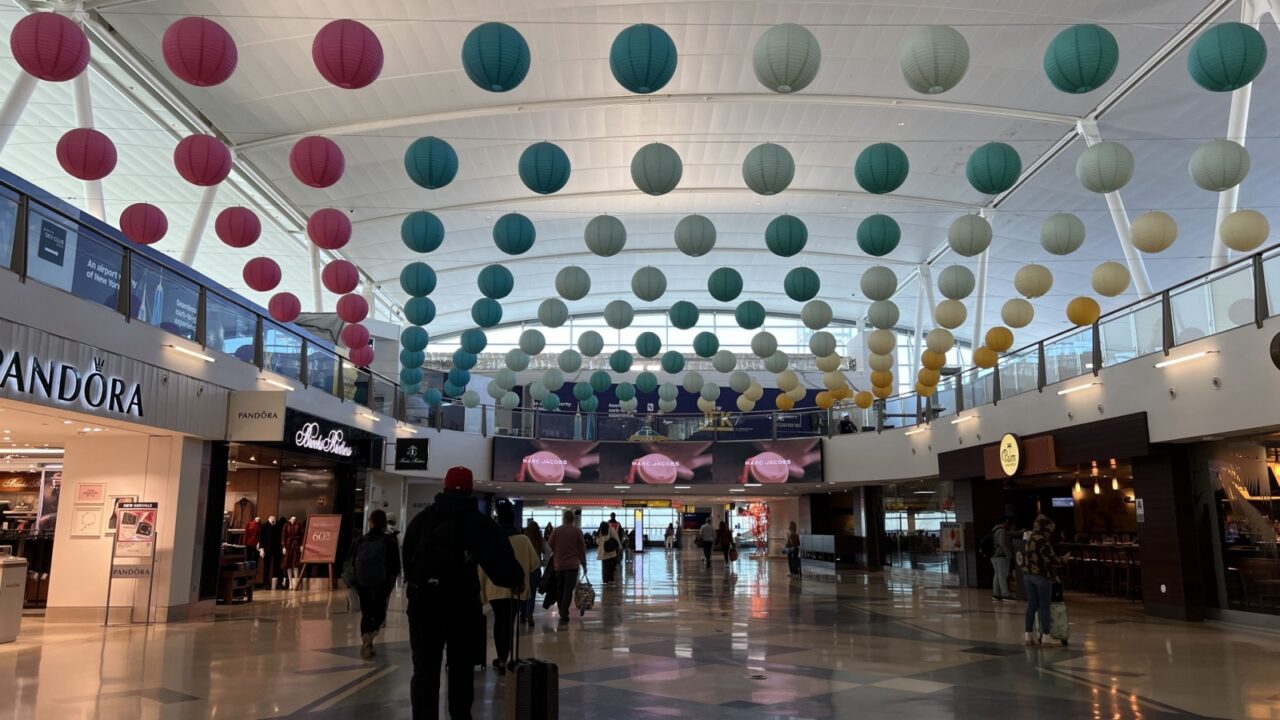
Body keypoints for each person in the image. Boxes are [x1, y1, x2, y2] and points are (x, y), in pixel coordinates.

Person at [402, 467, 523, 720]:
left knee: (424, 670)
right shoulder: (478, 523)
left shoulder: (423, 520)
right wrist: (516, 580)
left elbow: (408, 561)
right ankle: (459, 715)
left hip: (424, 607)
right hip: (462, 606)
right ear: (470, 490)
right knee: (460, 669)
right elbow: (500, 563)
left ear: (444, 487)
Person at [479, 503, 541, 674]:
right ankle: (505, 657)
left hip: (494, 588)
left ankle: (501, 658)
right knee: (509, 622)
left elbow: (482, 566)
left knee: (499, 621)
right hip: (516, 588)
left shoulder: (491, 539)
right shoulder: (523, 539)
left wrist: (482, 590)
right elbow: (534, 564)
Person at [350, 509, 401, 660]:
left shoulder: (360, 540)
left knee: (366, 612)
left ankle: (366, 638)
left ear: (370, 522)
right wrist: (391, 582)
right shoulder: (389, 541)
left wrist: (354, 581)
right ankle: (369, 638)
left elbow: (352, 562)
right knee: (379, 613)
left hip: (362, 582)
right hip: (382, 582)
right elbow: (395, 566)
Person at [1021, 514, 1063, 646]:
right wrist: (1063, 560)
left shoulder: (1029, 538)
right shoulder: (1042, 541)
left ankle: (1028, 635)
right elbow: (1052, 560)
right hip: (1040, 576)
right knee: (1044, 606)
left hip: (1027, 575)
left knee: (1031, 605)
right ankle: (1046, 635)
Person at [547, 509, 587, 623]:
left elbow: (549, 546)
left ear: (564, 518)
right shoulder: (577, 531)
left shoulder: (556, 531)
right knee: (568, 590)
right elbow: (582, 549)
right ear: (573, 519)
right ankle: (564, 611)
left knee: (559, 588)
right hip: (572, 566)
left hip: (558, 565)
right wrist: (584, 564)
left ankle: (561, 610)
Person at [520, 519, 546, 627]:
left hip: (524, 569)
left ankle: (522, 615)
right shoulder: (540, 540)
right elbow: (549, 553)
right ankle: (530, 614)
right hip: (535, 570)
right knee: (532, 594)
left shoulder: (524, 540)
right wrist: (542, 563)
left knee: (523, 593)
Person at [990, 516, 1014, 602]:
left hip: (993, 556)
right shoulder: (1001, 530)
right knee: (1002, 575)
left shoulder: (994, 530)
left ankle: (996, 594)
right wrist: (1008, 554)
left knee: (997, 575)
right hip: (1001, 556)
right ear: (1005, 522)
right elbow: (1002, 543)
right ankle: (1005, 595)